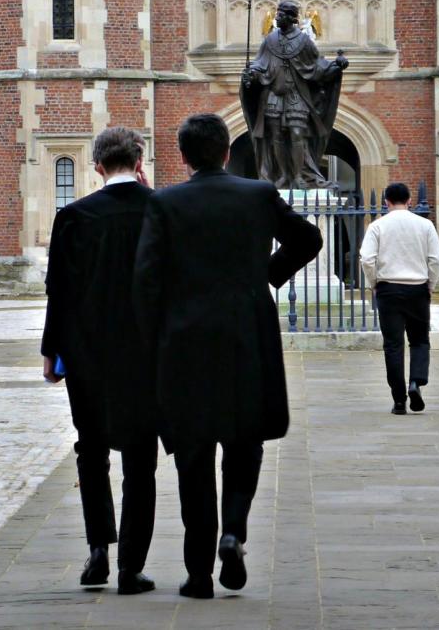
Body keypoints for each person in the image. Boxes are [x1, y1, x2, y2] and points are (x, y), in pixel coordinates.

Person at [134, 113, 322, 599]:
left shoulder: (165, 202)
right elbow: (309, 238)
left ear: (183, 156)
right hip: (246, 334)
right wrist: (266, 275)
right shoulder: (257, 195)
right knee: (244, 439)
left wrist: (153, 338)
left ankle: (198, 575)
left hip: (184, 342)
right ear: (225, 151)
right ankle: (233, 532)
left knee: (193, 457)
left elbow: (147, 281)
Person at [40, 127, 159, 595]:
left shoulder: (74, 216)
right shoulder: (159, 210)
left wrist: (52, 351)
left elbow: (59, 291)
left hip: (88, 354)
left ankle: (97, 553)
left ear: (96, 167)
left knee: (91, 450)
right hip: (146, 357)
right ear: (139, 159)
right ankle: (131, 566)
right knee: (140, 459)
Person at [239, 0, 348, 188]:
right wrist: (252, 73)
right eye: (277, 14)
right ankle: (282, 175)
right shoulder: (270, 40)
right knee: (275, 135)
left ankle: (298, 176)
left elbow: (316, 66)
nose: (277, 18)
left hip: (296, 94)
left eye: (280, 15)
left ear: (291, 18)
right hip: (273, 94)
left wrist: (336, 66)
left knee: (297, 133)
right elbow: (260, 64)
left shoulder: (304, 41)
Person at [359, 183, 439, 415]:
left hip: (388, 288)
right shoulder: (425, 225)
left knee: (393, 345)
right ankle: (416, 382)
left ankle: (399, 400)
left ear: (386, 202)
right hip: (417, 288)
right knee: (419, 340)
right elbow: (436, 259)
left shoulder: (377, 226)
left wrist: (374, 283)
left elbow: (366, 259)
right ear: (409, 201)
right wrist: (431, 284)